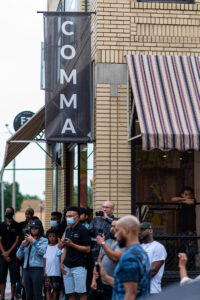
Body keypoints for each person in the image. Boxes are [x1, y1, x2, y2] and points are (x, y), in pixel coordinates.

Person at [100, 215, 151, 300]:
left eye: (117, 231)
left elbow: (131, 294)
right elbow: (128, 286)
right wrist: (106, 278)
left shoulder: (129, 257)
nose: (115, 235)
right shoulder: (141, 253)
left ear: (126, 230)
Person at [60, 206, 91, 300]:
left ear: (77, 217)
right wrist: (61, 263)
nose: (68, 218)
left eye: (70, 216)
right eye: (66, 216)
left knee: (81, 293)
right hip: (67, 266)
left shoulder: (83, 230)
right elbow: (65, 247)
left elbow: (87, 249)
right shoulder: (67, 230)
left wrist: (72, 244)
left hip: (79, 266)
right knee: (70, 294)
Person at [90, 219, 125, 300]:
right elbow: (98, 261)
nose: (112, 229)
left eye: (115, 226)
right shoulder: (107, 241)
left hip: (115, 283)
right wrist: (94, 280)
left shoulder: (123, 243)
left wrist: (102, 243)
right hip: (103, 283)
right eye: (111, 226)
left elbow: (114, 257)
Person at [16, 219, 48, 300]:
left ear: (40, 229)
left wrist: (34, 241)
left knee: (38, 294)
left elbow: (42, 252)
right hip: (26, 269)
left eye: (36, 228)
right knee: (28, 295)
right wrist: (22, 246)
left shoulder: (44, 240)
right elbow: (18, 255)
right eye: (32, 227)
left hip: (37, 269)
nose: (33, 229)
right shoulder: (27, 240)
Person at [140, 222, 167, 294]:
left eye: (142, 229)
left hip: (152, 291)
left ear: (150, 231)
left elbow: (153, 271)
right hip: (139, 291)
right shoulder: (139, 247)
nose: (139, 232)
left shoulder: (158, 247)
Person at [0, 207, 21, 300]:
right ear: (5, 213)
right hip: (2, 256)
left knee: (13, 278)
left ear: (13, 213)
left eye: (10, 212)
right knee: (2, 278)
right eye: (7, 211)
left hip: (13, 256)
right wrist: (4, 253)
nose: (8, 213)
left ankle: (12, 297)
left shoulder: (16, 225)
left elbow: (17, 241)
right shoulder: (1, 225)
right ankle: (2, 296)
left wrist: (8, 252)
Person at [43, 229, 62, 300]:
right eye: (50, 236)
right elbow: (44, 259)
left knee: (55, 289)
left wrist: (60, 248)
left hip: (56, 273)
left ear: (57, 237)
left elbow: (60, 255)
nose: (52, 238)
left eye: (53, 236)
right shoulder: (46, 247)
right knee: (47, 289)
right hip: (47, 273)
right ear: (48, 237)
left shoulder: (58, 247)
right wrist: (44, 271)